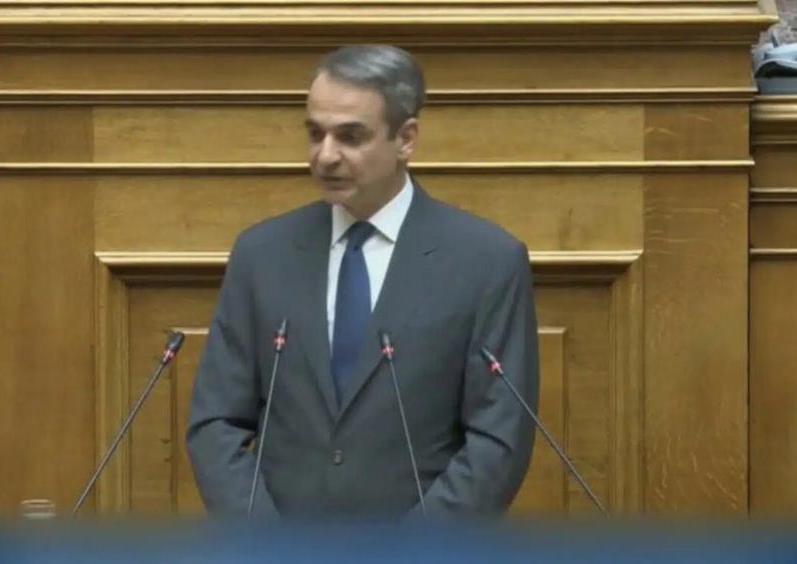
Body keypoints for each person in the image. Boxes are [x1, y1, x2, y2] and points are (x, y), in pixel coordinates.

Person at [187, 45, 539, 518]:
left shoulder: (486, 261)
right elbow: (216, 423)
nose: (325, 156)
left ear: (406, 139)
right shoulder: (262, 254)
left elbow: (499, 438)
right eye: (315, 134)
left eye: (350, 137)